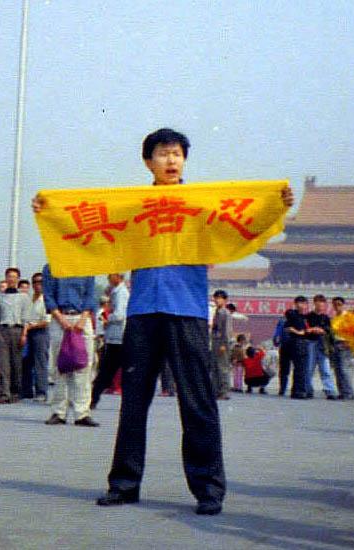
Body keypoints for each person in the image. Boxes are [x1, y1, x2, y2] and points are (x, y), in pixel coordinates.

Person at [95, 128, 293, 515]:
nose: (171, 161)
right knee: (133, 403)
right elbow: (93, 231)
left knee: (197, 401)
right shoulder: (133, 207)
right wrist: (48, 211)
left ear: (184, 160)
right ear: (148, 161)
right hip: (143, 311)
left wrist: (277, 206)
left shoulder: (201, 206)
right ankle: (123, 483)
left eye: (177, 154)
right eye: (163, 154)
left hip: (186, 310)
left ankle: (208, 489)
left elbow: (243, 225)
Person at [41, 263, 99, 427]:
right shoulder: (51, 267)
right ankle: (59, 411)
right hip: (60, 318)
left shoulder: (86, 266)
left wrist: (83, 318)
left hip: (82, 318)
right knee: (60, 367)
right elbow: (49, 296)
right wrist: (61, 319)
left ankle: (82, 412)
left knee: (83, 367)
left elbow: (90, 295)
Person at [0, 267, 30, 404]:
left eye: (14, 277)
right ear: (6, 278)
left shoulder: (24, 298)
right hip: (3, 330)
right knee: (2, 363)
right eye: (9, 276)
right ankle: (4, 393)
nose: (12, 279)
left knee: (16, 363)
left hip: (17, 330)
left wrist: (24, 334)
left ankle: (15, 392)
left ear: (18, 279)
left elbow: (26, 317)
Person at [91, 273, 129, 408]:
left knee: (107, 369)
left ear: (118, 276)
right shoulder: (116, 292)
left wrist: (108, 319)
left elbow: (120, 315)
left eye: (110, 276)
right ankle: (94, 396)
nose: (108, 278)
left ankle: (93, 397)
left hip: (118, 337)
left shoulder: (121, 293)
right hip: (115, 336)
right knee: (109, 370)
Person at [23, 272, 51, 402]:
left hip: (41, 332)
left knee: (40, 362)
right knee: (26, 361)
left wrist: (30, 326)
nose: (37, 285)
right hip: (28, 332)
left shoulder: (47, 299)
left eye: (40, 282)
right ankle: (27, 390)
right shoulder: (29, 299)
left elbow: (47, 321)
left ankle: (41, 391)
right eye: (35, 282)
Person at [305, 294, 339, 399]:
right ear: (314, 303)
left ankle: (330, 391)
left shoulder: (326, 318)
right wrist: (312, 330)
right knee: (309, 368)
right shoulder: (308, 316)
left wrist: (322, 330)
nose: (320, 304)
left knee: (325, 369)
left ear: (324, 304)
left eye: (322, 302)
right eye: (318, 301)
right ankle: (308, 390)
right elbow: (304, 329)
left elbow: (330, 331)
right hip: (311, 343)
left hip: (323, 345)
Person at [284, 296, 310, 399]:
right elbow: (288, 328)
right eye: (300, 303)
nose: (302, 306)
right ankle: (299, 391)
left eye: (304, 304)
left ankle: (297, 391)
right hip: (296, 343)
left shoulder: (305, 317)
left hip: (304, 343)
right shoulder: (293, 315)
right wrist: (299, 332)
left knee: (301, 368)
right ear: (295, 304)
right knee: (300, 368)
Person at [329, 297, 354, 399]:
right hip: (336, 344)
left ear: (343, 305)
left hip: (345, 344)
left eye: (339, 304)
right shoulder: (335, 317)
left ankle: (349, 392)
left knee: (345, 370)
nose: (337, 306)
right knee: (338, 370)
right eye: (335, 304)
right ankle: (342, 392)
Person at [210, 289, 233, 400]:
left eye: (219, 298)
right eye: (216, 298)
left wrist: (224, 344)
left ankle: (224, 392)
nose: (216, 300)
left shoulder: (225, 313)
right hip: (215, 341)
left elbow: (227, 330)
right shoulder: (217, 312)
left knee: (222, 367)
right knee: (215, 367)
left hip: (222, 342)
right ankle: (215, 391)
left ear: (225, 300)